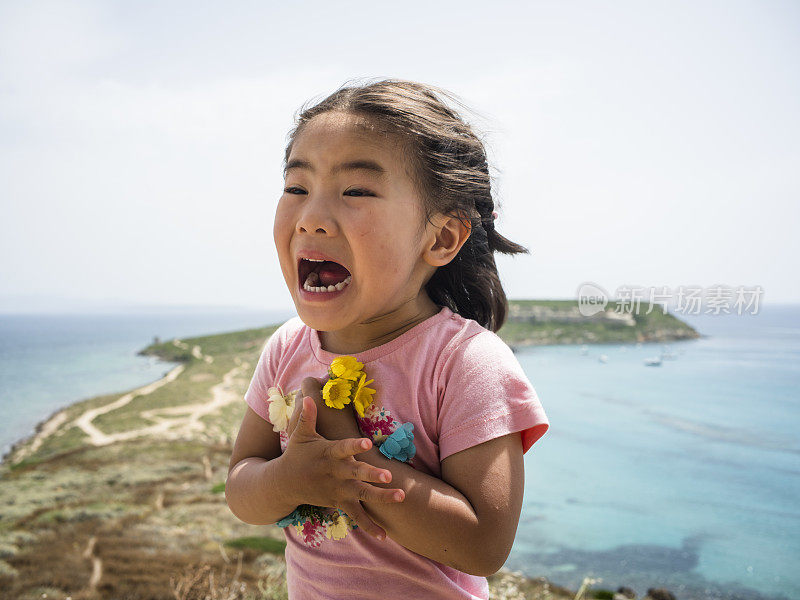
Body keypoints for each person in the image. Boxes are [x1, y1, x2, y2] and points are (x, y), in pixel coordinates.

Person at [225, 78, 550, 599]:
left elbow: (484, 545)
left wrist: (348, 457)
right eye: (296, 188)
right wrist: (290, 479)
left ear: (441, 236)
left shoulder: (464, 362)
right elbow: (242, 485)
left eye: (356, 191)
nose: (311, 218)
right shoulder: (288, 348)